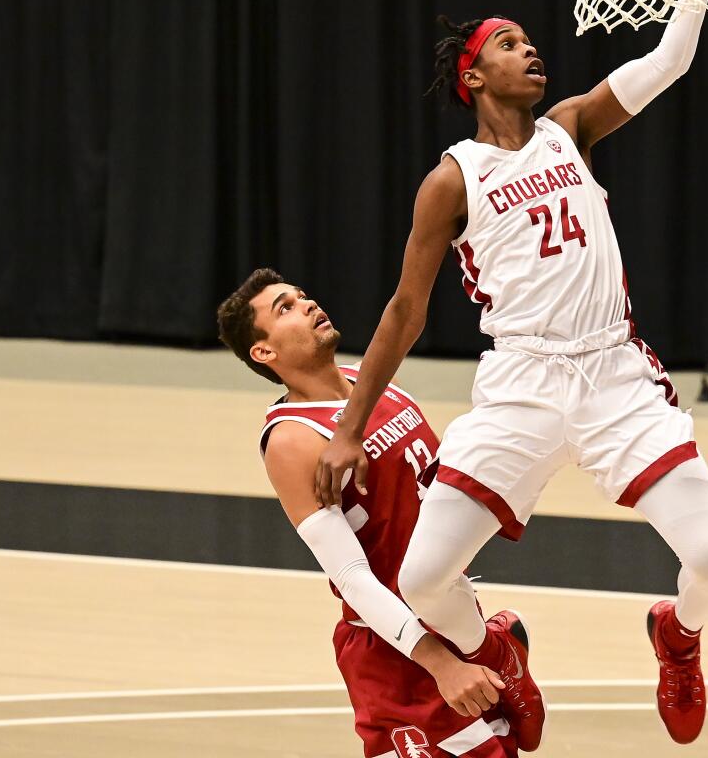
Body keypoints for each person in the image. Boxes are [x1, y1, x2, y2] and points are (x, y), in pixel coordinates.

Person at [315, 0, 708, 746]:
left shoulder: (570, 128)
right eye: (508, 44)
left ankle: (677, 637)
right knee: (423, 579)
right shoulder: (452, 179)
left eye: (531, 41)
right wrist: (345, 427)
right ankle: (498, 654)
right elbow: (405, 311)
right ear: (472, 78)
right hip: (522, 383)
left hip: (615, 372)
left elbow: (672, 58)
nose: (530, 50)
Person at [217, 267, 520, 758]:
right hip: (394, 651)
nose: (308, 304)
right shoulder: (292, 438)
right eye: (285, 308)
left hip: (453, 618)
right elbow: (354, 580)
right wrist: (440, 664)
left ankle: (502, 649)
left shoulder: (372, 382)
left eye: (302, 295)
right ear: (264, 352)